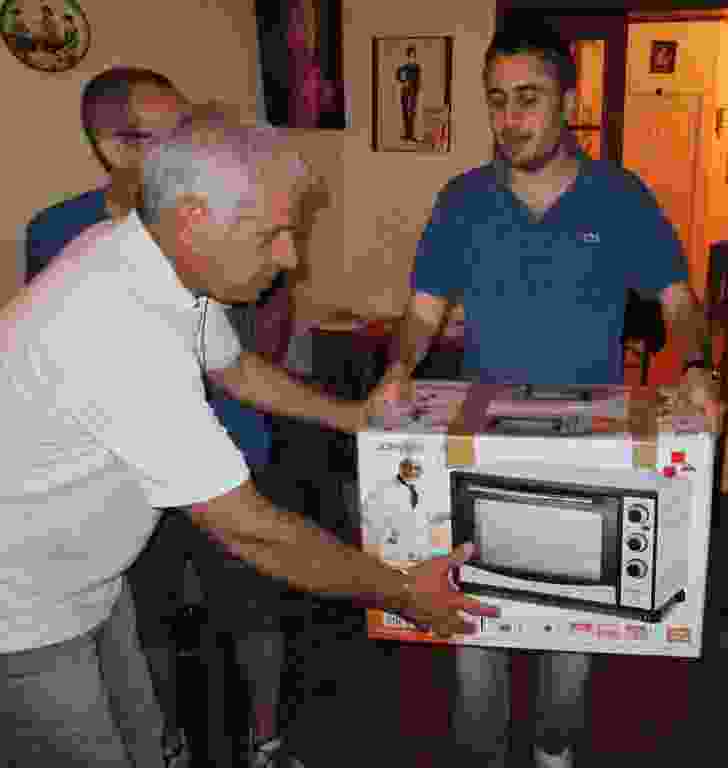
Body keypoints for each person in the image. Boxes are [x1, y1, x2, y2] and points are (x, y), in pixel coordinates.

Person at [1, 111, 497, 767]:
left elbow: (235, 368)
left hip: (86, 583)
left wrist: (352, 416)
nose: (291, 257)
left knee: (143, 746)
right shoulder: (120, 330)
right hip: (20, 608)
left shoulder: (152, 258)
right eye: (273, 235)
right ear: (193, 219)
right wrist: (404, 590)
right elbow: (251, 529)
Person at [369, 19, 718, 768]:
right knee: (475, 638)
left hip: (586, 456)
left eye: (528, 98)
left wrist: (695, 368)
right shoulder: (461, 199)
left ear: (569, 102)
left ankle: (554, 755)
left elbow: (679, 302)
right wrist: (399, 367)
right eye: (497, 100)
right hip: (484, 451)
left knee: (571, 641)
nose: (510, 118)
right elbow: (423, 312)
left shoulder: (619, 197)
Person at [24, 66, 300, 768]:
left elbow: (241, 354)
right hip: (100, 510)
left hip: (225, 450)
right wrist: (398, 588)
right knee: (152, 620)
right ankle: (169, 744)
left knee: (251, 610)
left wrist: (349, 413)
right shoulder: (73, 243)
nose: (192, 148)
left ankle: (262, 743)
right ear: (112, 148)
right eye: (170, 136)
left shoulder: (179, 231)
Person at [396, 45, 421, 142]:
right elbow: (399, 77)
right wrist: (403, 81)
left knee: (412, 113)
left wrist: (416, 91)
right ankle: (407, 135)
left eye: (413, 56)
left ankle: (412, 135)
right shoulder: (403, 68)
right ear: (407, 56)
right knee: (405, 113)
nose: (411, 57)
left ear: (415, 56)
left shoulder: (417, 68)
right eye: (410, 55)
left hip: (413, 93)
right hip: (405, 92)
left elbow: (418, 81)